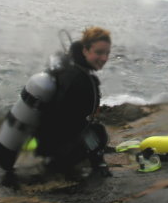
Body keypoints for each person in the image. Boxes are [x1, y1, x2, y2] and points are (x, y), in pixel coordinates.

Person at [34, 26, 112, 177]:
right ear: (85, 51)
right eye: (99, 52)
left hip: (42, 144)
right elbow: (82, 124)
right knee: (99, 132)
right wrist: (99, 161)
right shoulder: (84, 81)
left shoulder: (64, 70)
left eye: (107, 53)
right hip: (60, 153)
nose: (104, 58)